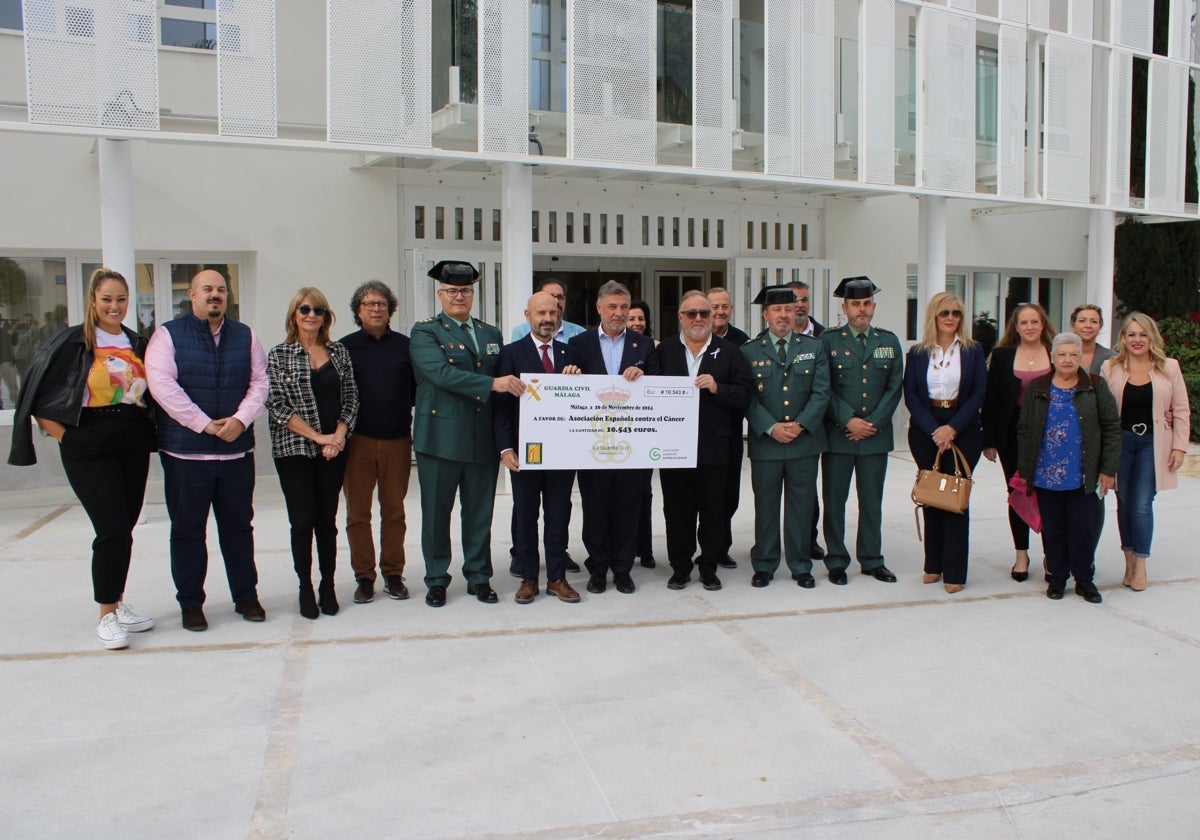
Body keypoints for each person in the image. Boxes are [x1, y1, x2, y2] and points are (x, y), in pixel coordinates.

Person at [7, 268, 157, 649]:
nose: (114, 306)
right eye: (106, 298)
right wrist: (67, 440)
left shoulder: (137, 341)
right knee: (110, 530)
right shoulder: (72, 342)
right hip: (89, 444)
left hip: (131, 443)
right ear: (92, 300)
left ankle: (118, 603)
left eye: (121, 299)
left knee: (124, 527)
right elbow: (40, 398)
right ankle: (106, 614)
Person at [145, 268, 269, 632]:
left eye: (220, 289)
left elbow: (260, 381)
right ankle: (190, 603)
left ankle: (246, 597)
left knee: (238, 529)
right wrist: (203, 423)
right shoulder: (168, 335)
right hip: (186, 456)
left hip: (235, 454)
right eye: (207, 289)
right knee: (187, 531)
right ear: (192, 294)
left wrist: (241, 420)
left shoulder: (246, 336)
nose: (215, 294)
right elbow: (162, 385)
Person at [410, 260, 525, 607]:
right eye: (452, 291)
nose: (459, 296)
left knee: (479, 514)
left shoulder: (491, 333)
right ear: (440, 294)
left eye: (465, 291)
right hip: (440, 439)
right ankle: (436, 579)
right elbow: (441, 375)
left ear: (473, 294)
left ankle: (478, 576)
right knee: (436, 514)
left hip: (481, 439)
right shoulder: (425, 331)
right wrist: (492, 383)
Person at [267, 288, 359, 619]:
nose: (311, 315)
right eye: (304, 309)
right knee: (302, 521)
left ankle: (328, 585)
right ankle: (305, 587)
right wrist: (318, 437)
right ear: (294, 314)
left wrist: (337, 435)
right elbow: (276, 404)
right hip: (293, 449)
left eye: (318, 310)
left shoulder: (339, 353)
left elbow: (351, 397)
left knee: (326, 521)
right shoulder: (279, 355)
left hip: (333, 449)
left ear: (326, 317)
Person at [658, 290, 752, 591]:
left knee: (713, 510)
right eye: (691, 313)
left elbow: (744, 396)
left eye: (704, 313)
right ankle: (681, 567)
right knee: (677, 511)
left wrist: (718, 388)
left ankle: (709, 566)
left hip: (715, 447)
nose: (698, 319)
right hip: (674, 447)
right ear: (680, 317)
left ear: (712, 316)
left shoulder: (730, 352)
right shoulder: (664, 351)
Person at [569, 280, 659, 594]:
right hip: (592, 443)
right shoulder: (578, 344)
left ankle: (622, 569)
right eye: (613, 307)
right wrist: (570, 377)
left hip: (631, 445)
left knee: (627, 507)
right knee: (594, 507)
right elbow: (569, 392)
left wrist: (646, 376)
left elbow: (659, 386)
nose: (619, 313)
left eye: (623, 306)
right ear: (599, 308)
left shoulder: (644, 345)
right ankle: (597, 569)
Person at [1016, 332, 1119, 603]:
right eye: (1062, 354)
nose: (1068, 359)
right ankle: (1058, 577)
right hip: (1045, 473)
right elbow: (1025, 429)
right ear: (1052, 357)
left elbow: (1111, 427)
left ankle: (1085, 579)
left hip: (1083, 473)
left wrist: (1108, 470)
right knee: (1053, 529)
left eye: (1074, 354)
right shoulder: (1038, 386)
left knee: (1082, 529)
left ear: (1081, 357)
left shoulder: (1095, 386)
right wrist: (1025, 469)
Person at [495, 291, 584, 604]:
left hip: (562, 452)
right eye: (541, 313)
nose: (547, 319)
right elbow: (502, 407)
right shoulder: (511, 353)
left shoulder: (570, 353)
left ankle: (557, 578)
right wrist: (505, 448)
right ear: (527, 315)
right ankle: (529, 578)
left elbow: (583, 400)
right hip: (525, 452)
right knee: (526, 515)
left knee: (559, 515)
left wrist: (578, 378)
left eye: (553, 313)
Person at [742, 286, 830, 588]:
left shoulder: (814, 347)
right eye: (776, 310)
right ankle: (764, 563)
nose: (783, 315)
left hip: (804, 442)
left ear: (796, 313)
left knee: (801, 506)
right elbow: (748, 397)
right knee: (765, 506)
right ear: (766, 314)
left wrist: (801, 425)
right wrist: (771, 427)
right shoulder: (750, 351)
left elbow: (822, 392)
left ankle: (800, 564)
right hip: (767, 443)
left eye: (788, 309)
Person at [819, 276, 903, 584]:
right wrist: (848, 420)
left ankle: (871, 559)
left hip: (874, 438)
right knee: (835, 501)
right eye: (856, 304)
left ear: (874, 306)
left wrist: (872, 424)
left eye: (867, 304)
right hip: (839, 437)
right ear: (845, 307)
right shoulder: (828, 341)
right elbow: (823, 388)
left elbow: (894, 389)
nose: (862, 310)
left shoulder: (889, 341)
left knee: (871, 501)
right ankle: (837, 560)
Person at [903, 292, 987, 594]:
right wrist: (934, 429)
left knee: (955, 498)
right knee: (931, 495)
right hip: (926, 428)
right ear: (934, 317)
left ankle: (955, 571)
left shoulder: (973, 350)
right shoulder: (917, 353)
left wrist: (952, 428)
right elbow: (911, 394)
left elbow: (978, 393)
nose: (951, 318)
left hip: (963, 428)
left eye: (956, 313)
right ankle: (932, 565)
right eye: (944, 313)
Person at [1100, 313, 1191, 591]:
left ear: (1152, 337)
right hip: (1121, 443)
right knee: (1124, 503)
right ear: (1123, 339)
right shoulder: (1110, 367)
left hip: (1153, 443)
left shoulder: (1169, 367)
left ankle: (1141, 565)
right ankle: (1128, 560)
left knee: (1141, 505)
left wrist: (1179, 446)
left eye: (1143, 334)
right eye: (1131, 334)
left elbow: (1182, 408)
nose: (1137, 340)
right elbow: (1102, 411)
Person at [339, 280, 415, 604]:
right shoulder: (344, 347)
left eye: (382, 304)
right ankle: (364, 576)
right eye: (369, 304)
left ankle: (393, 573)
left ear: (390, 310)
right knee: (358, 513)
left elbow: (416, 389)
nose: (376, 309)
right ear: (358, 310)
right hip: (358, 441)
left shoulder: (405, 346)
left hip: (398, 439)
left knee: (395, 511)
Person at [982, 303, 1057, 583]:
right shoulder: (1002, 356)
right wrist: (989, 440)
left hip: (1049, 435)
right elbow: (991, 401)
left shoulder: (1054, 352)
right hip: (1011, 435)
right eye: (1023, 322)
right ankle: (1021, 554)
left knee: (1048, 494)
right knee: (1017, 493)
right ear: (1016, 327)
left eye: (1034, 322)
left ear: (1042, 325)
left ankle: (1052, 554)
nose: (1029, 327)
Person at [708, 286, 749, 571]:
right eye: (714, 307)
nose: (720, 311)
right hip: (695, 432)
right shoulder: (690, 340)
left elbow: (745, 389)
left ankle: (721, 548)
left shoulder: (741, 343)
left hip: (730, 431)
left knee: (728, 495)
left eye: (725, 306)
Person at [789, 278, 827, 559]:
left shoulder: (825, 337)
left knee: (807, 491)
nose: (800, 304)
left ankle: (808, 539)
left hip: (814, 427)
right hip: (779, 428)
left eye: (804, 299)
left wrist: (804, 422)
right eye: (794, 300)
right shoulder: (768, 337)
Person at [627, 298, 659, 569]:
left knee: (643, 492)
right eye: (631, 318)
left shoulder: (654, 348)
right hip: (615, 430)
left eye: (641, 319)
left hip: (643, 431)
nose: (636, 323)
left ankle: (644, 548)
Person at [510, 278, 586, 343]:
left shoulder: (579, 333)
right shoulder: (521, 332)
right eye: (550, 296)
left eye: (560, 297)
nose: (556, 301)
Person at [1071, 304, 1114, 375]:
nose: (1088, 325)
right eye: (1082, 321)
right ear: (1073, 324)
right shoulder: (1059, 354)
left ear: (1100, 326)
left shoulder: (1111, 358)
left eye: (1094, 321)